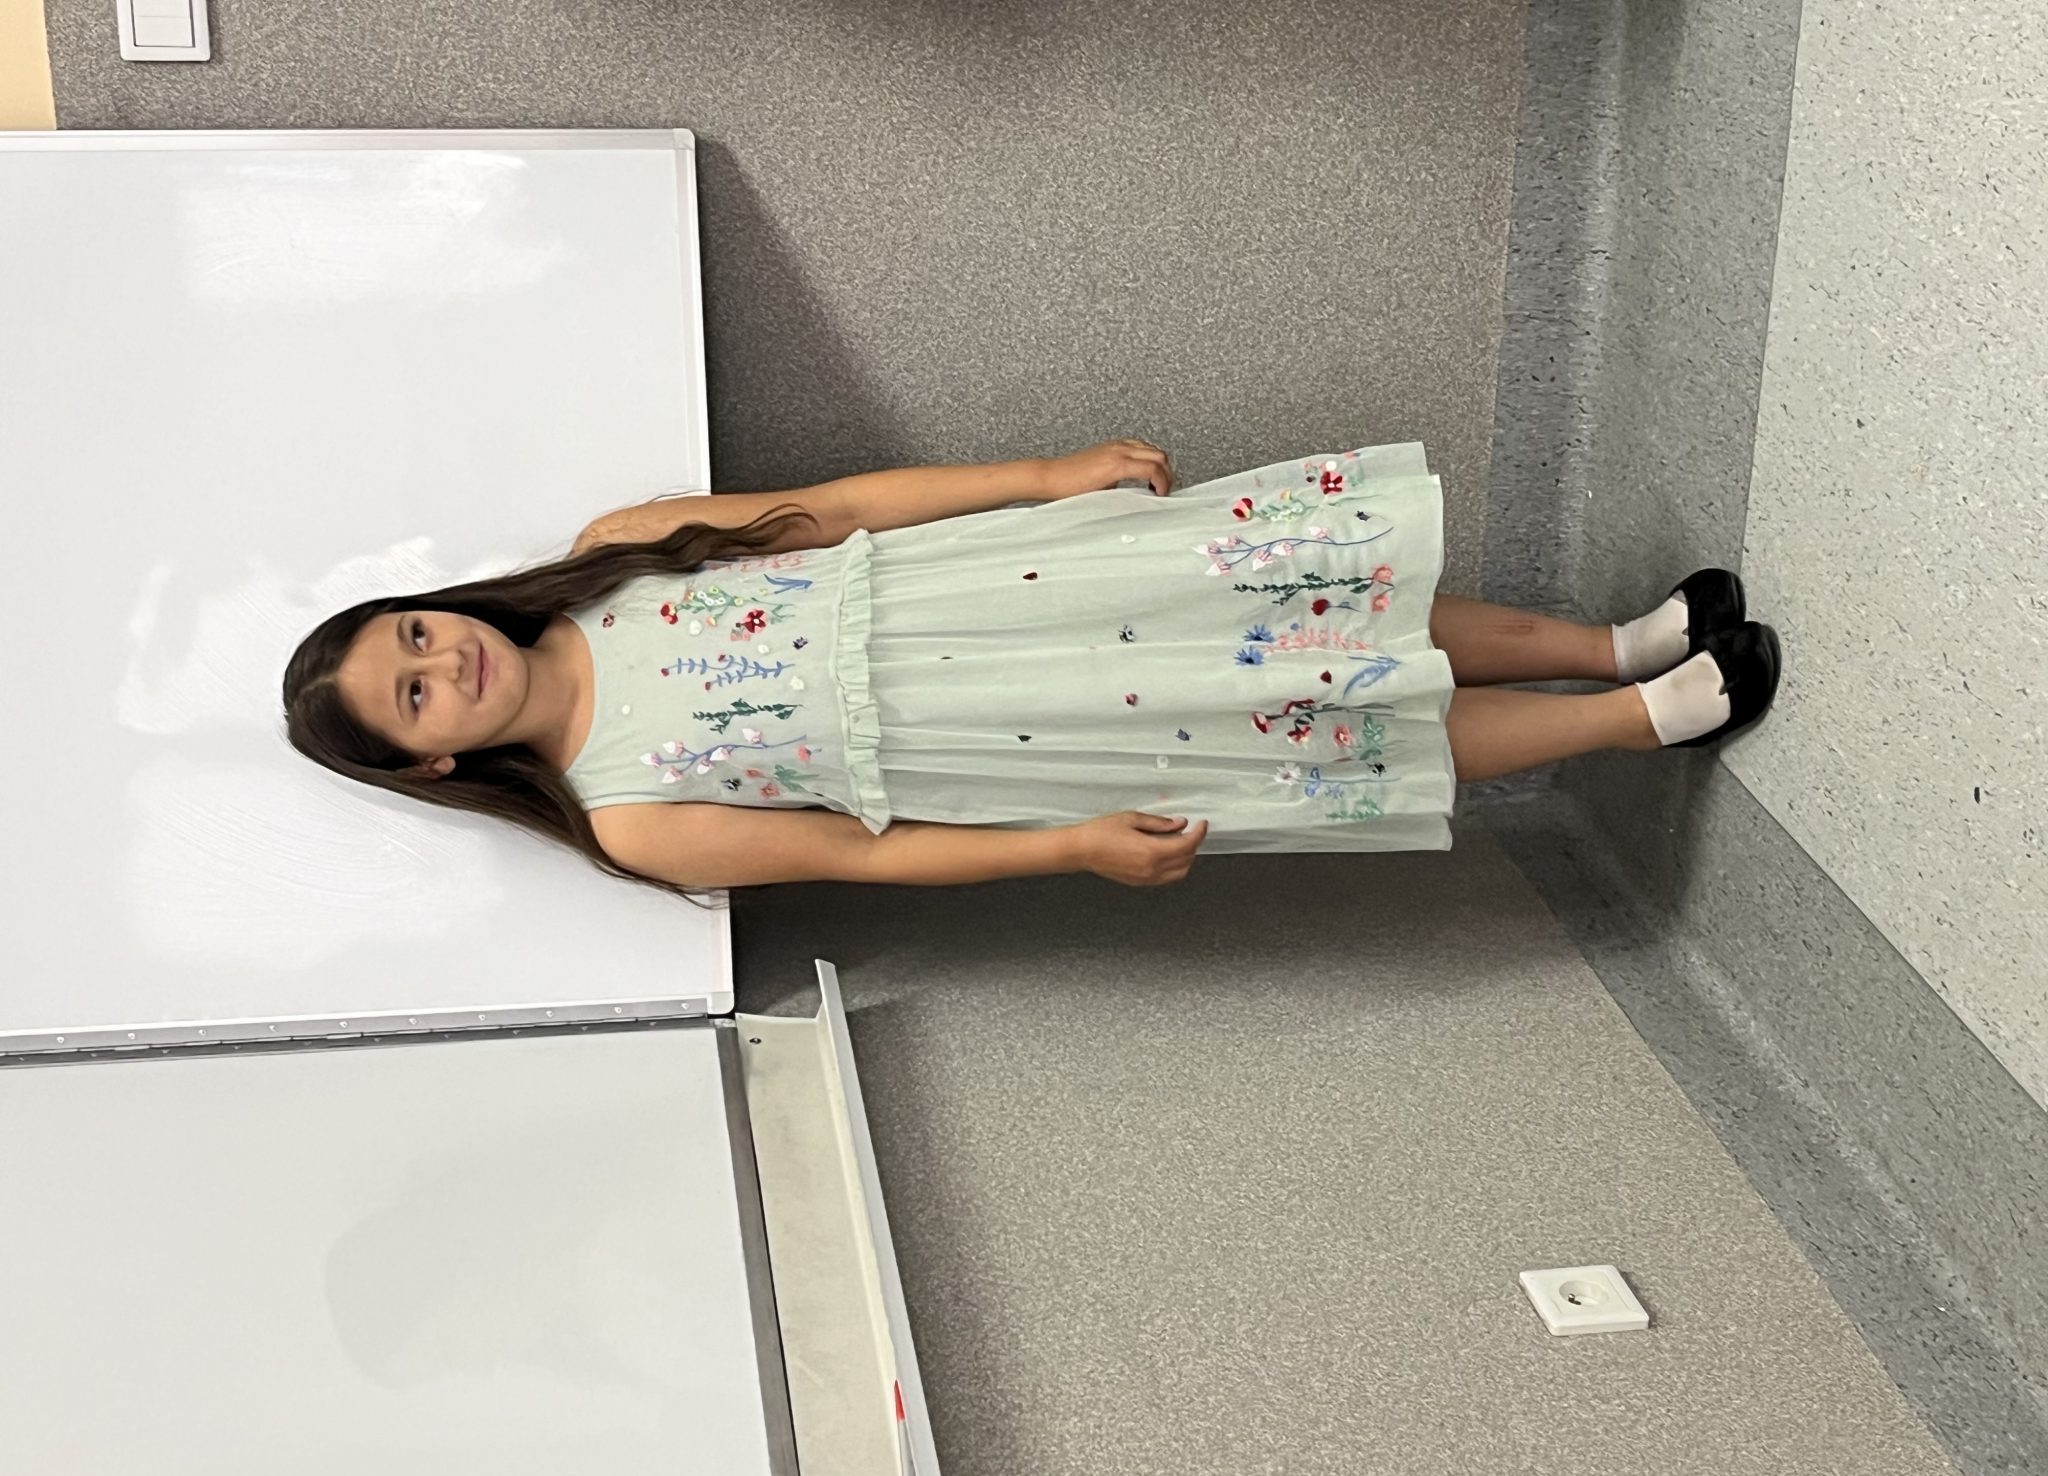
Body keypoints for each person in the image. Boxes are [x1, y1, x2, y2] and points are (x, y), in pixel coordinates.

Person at [283, 439, 1780, 906]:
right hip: (1020, 737)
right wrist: (1069, 847)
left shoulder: (614, 552)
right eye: (413, 696)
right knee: (1323, 724)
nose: (443, 661)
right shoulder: (625, 817)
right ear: (434, 760)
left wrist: (1047, 476)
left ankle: (1614, 643)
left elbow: (841, 511)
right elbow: (861, 859)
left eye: (413, 633)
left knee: (1321, 610)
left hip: (1014, 583)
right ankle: (1633, 722)